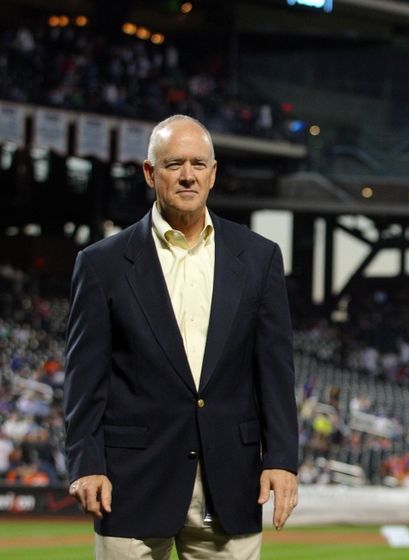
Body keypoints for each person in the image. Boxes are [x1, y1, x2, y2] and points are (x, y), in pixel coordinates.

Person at [63, 115, 299, 559]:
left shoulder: (259, 257)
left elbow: (275, 371)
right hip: (131, 481)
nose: (187, 175)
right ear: (150, 173)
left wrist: (282, 458)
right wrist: (86, 462)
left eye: (198, 163)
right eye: (173, 164)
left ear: (213, 173)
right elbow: (84, 379)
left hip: (230, 480)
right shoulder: (102, 264)